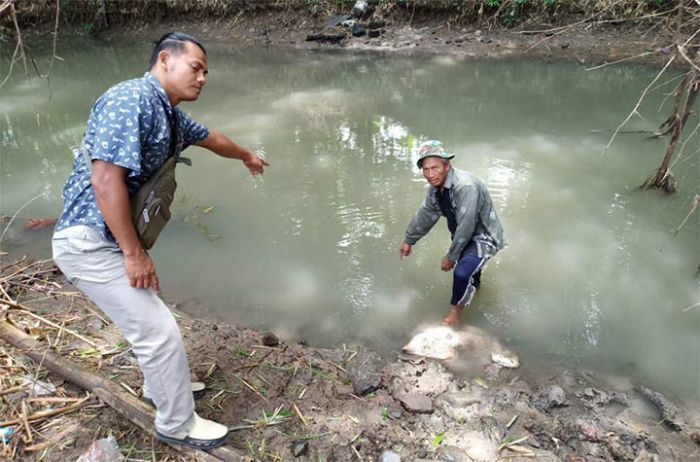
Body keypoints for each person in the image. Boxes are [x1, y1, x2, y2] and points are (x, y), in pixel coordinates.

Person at [51, 32, 268, 449]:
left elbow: (211, 138)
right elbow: (104, 179)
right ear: (165, 60)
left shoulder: (169, 113)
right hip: (88, 241)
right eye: (196, 67)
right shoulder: (130, 99)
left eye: (206, 71)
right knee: (159, 332)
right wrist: (133, 255)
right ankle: (177, 424)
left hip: (108, 239)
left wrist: (246, 155)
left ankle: (160, 389)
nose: (203, 77)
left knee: (149, 317)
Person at [400, 140, 505, 327]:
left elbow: (467, 225)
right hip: (461, 235)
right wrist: (409, 240)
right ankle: (475, 289)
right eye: (425, 169)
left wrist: (452, 256)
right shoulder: (435, 190)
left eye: (435, 168)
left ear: (447, 166)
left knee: (462, 272)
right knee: (471, 272)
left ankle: (455, 313)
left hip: (482, 237)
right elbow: (425, 214)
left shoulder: (466, 187)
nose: (430, 175)